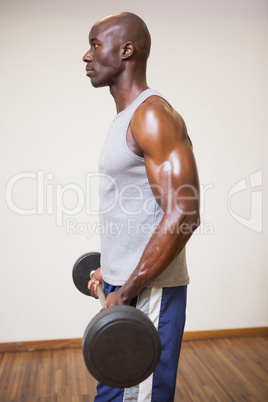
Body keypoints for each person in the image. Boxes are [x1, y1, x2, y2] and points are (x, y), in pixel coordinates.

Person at [83, 12, 200, 402]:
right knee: (114, 394)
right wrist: (111, 270)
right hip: (128, 284)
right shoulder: (124, 120)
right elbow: (132, 210)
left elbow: (184, 213)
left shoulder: (152, 115)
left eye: (95, 44)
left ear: (126, 50)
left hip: (150, 291)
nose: (86, 55)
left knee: (139, 398)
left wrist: (128, 289)